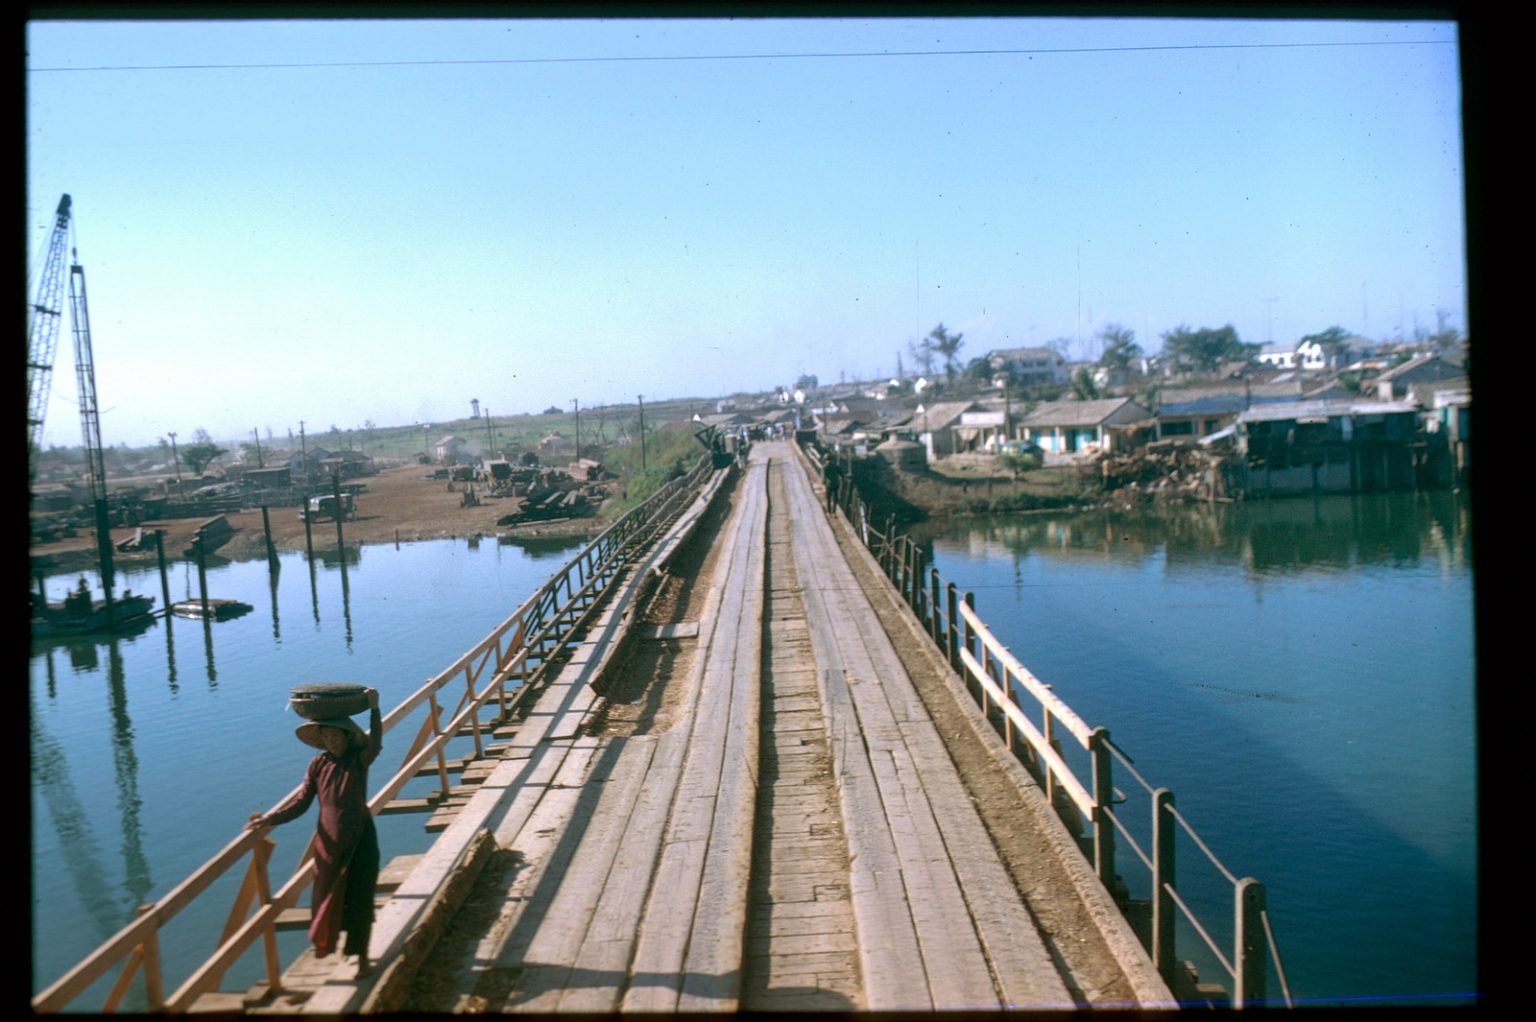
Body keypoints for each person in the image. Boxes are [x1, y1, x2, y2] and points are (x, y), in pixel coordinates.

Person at [249, 687, 383, 979]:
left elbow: (376, 745)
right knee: (328, 898)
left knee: (359, 898)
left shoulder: (358, 759)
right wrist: (270, 819)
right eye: (326, 737)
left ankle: (360, 958)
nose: (331, 741)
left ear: (348, 737)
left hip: (359, 838)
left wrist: (374, 709)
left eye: (336, 736)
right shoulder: (318, 765)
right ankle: (333, 948)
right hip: (328, 845)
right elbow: (300, 804)